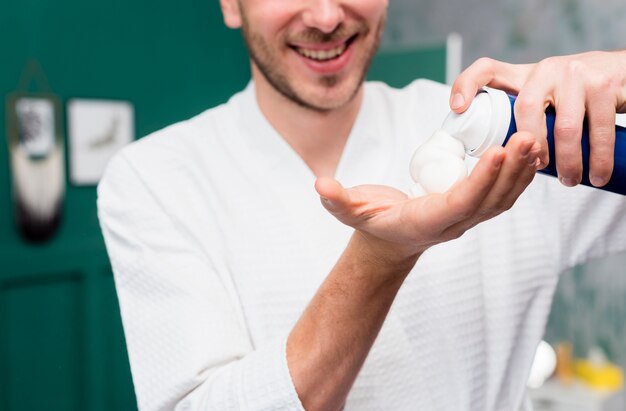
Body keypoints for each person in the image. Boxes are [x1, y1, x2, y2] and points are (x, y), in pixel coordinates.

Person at [97, 1, 626, 410]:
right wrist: (379, 258)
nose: (327, 17)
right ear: (231, 4)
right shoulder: (154, 179)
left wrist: (618, 71)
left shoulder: (509, 133)